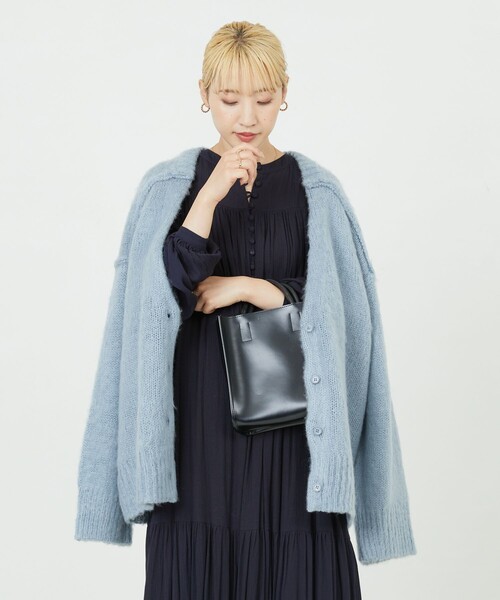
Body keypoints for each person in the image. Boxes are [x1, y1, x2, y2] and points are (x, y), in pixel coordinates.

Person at [75, 20, 416, 600]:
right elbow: (157, 301)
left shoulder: (317, 190)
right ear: (204, 94)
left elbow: (346, 314)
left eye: (262, 97)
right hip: (196, 434)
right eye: (230, 99)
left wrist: (257, 289)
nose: (247, 117)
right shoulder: (169, 186)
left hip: (294, 436)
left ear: (285, 92)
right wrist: (211, 194)